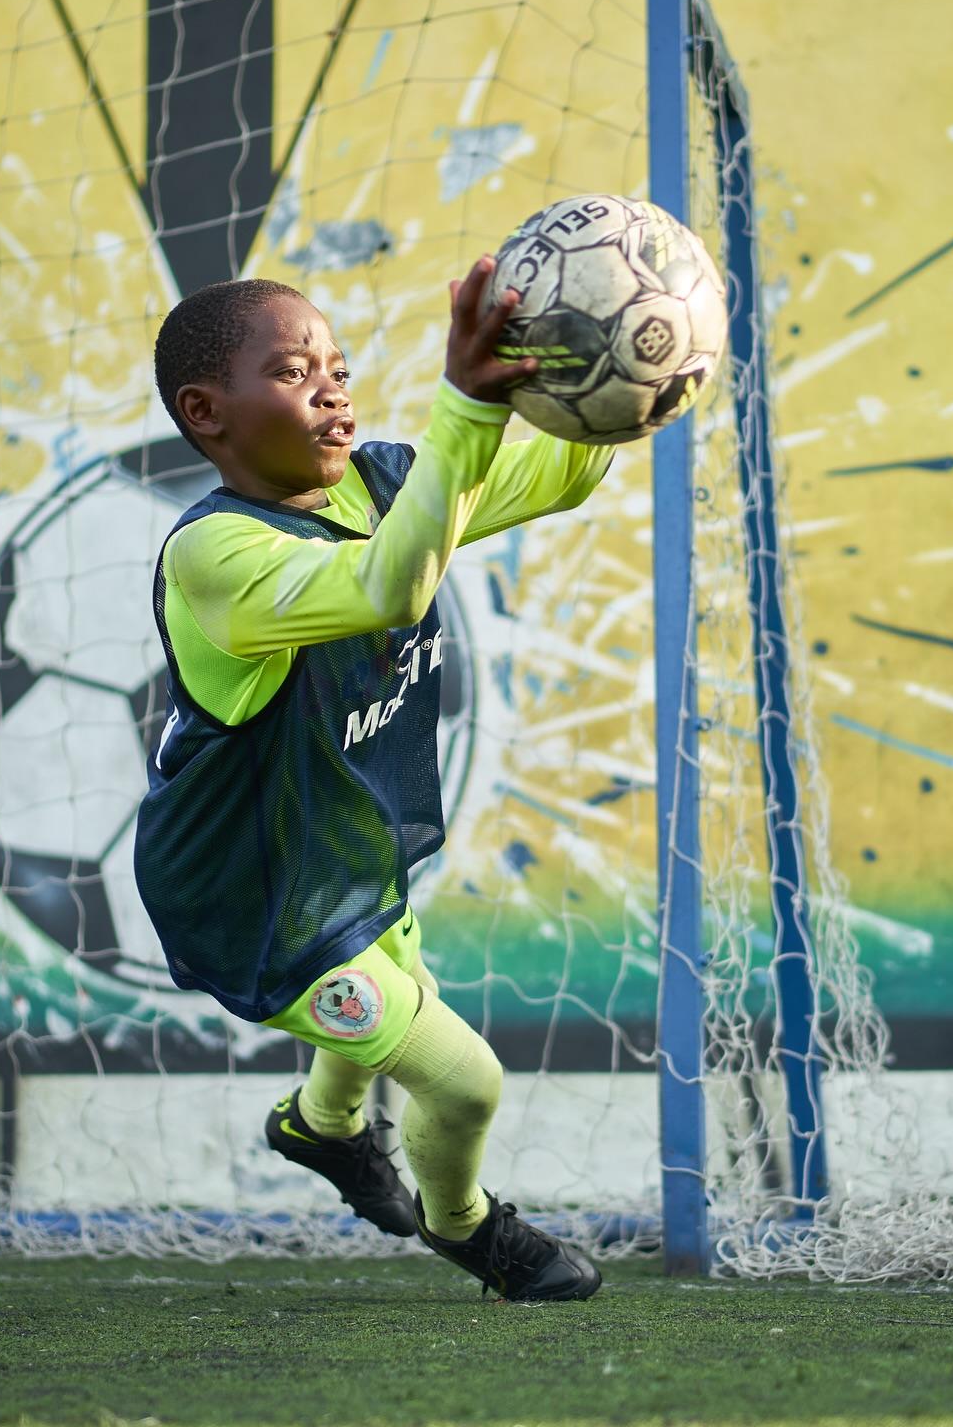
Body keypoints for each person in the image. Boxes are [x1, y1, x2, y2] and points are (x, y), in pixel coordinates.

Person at [135, 257, 614, 1301]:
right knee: (462, 1076)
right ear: (207, 412)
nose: (334, 389)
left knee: (379, 1007)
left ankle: (322, 1129)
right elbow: (394, 582)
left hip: (349, 844)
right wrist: (466, 405)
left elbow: (566, 473)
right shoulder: (216, 555)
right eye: (297, 371)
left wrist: (607, 368)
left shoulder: (383, 481)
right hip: (253, 889)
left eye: (340, 367)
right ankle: (473, 1229)